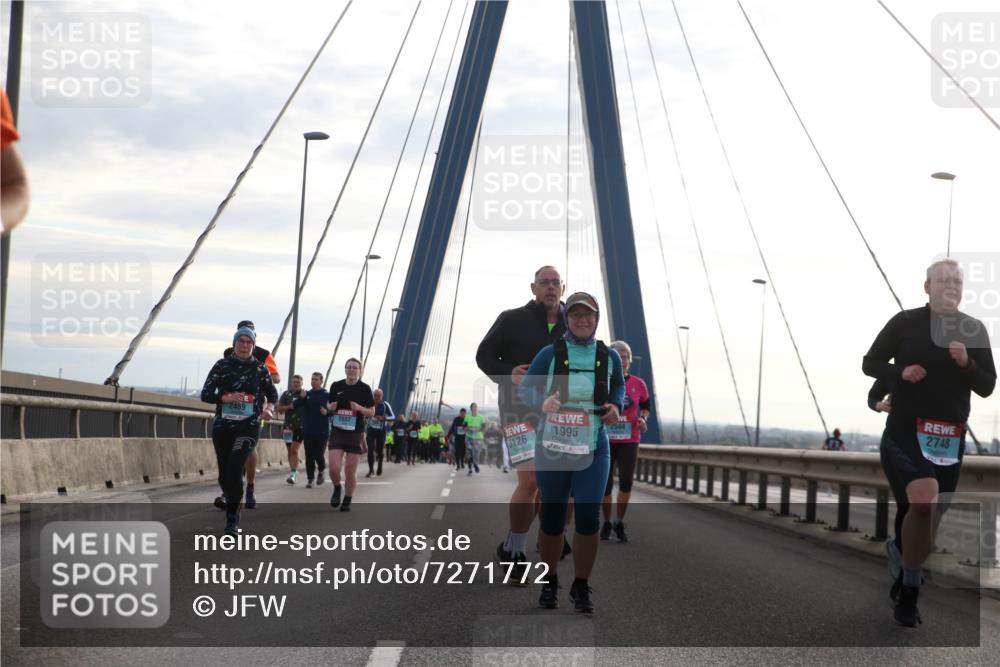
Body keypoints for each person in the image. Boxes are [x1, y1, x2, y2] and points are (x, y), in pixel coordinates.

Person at [862, 259, 995, 627]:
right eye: (944, 280)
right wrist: (899, 371)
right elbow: (870, 363)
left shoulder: (973, 329)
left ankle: (902, 557)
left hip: (949, 438)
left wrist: (967, 363)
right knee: (924, 500)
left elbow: (987, 386)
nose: (952, 285)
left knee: (925, 517)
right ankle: (910, 592)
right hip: (905, 431)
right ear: (927, 287)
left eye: (958, 281)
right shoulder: (905, 323)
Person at [518, 292, 625, 613]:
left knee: (588, 519)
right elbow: (525, 387)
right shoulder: (549, 354)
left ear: (596, 320)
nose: (582, 319)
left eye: (588, 315)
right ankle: (549, 581)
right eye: (576, 314)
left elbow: (619, 385)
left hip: (594, 445)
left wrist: (616, 406)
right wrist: (542, 402)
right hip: (552, 446)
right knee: (552, 519)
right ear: (567, 318)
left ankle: (581, 585)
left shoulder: (610, 357)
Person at [476, 266, 567, 580]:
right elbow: (484, 355)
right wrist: (508, 371)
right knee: (530, 481)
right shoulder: (512, 318)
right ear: (533, 288)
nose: (551, 287)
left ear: (563, 287)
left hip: (559, 414)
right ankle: (514, 548)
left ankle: (549, 534)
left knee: (553, 485)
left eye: (556, 282)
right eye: (545, 282)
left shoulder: (575, 322)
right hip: (517, 411)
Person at [201, 325, 278, 535]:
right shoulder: (222, 365)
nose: (244, 346)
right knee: (225, 474)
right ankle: (234, 494)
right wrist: (223, 398)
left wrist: (269, 409)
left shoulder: (260, 369)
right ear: (234, 344)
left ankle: (232, 520)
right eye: (241, 341)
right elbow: (205, 394)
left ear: (253, 345)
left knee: (235, 468)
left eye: (248, 342)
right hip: (223, 426)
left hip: (248, 426)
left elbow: (273, 394)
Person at [220, 320, 280, 510]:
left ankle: (250, 488)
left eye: (250, 335)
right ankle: (228, 490)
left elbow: (276, 378)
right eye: (241, 335)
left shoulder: (263, 354)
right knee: (230, 451)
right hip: (230, 409)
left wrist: (261, 371)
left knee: (249, 447)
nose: (245, 342)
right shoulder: (228, 353)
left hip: (254, 408)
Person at [600, 340, 650, 543]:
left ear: (629, 360)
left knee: (627, 482)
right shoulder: (603, 382)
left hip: (630, 439)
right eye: (617, 358)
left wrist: (642, 419)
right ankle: (606, 522)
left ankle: (619, 521)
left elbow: (646, 407)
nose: (622, 361)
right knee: (605, 484)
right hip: (606, 438)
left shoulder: (639, 384)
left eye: (625, 358)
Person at [327, 358, 376, 511]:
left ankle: (347, 498)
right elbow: (329, 405)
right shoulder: (336, 386)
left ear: (360, 371)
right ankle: (337, 487)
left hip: (355, 433)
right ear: (345, 369)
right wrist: (331, 407)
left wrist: (360, 408)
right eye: (349, 367)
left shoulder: (365, 388)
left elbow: (372, 412)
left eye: (355, 367)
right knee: (334, 468)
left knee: (349, 470)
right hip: (337, 430)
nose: (352, 370)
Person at [293, 372, 330, 488]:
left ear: (321, 381)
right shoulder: (306, 394)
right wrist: (301, 397)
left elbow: (334, 410)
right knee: (309, 456)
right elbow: (295, 405)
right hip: (308, 430)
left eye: (316, 379)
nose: (313, 381)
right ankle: (310, 479)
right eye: (312, 379)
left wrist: (327, 412)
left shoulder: (327, 395)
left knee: (319, 454)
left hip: (322, 430)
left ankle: (322, 470)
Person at [276, 374, 305, 483]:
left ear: (302, 383)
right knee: (290, 450)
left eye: (298, 382)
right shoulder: (286, 394)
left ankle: (292, 474)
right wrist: (289, 407)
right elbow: (279, 408)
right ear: (291, 383)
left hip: (300, 427)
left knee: (294, 449)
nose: (296, 384)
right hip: (288, 427)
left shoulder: (305, 395)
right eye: (294, 382)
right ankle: (293, 470)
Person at [366, 388, 395, 478]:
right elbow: (362, 413)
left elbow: (393, 416)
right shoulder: (368, 403)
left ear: (381, 396)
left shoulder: (385, 404)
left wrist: (383, 418)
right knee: (370, 449)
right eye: (375, 395)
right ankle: (371, 470)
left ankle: (380, 465)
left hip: (381, 430)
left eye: (378, 396)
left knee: (380, 450)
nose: (376, 397)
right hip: (371, 429)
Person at [465, 402, 486, 475]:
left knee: (476, 453)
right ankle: (470, 468)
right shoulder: (467, 417)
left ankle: (475, 464)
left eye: (476, 407)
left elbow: (484, 427)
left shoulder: (481, 417)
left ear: (477, 408)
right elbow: (464, 426)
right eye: (473, 407)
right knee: (469, 453)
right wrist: (467, 428)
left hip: (478, 438)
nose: (475, 408)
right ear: (471, 409)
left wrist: (478, 430)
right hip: (469, 437)